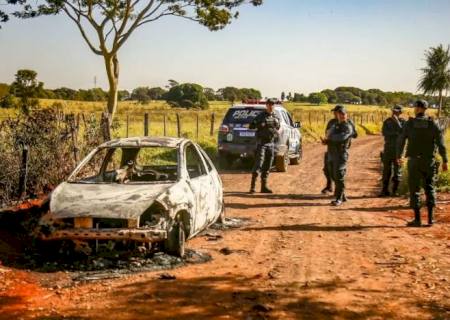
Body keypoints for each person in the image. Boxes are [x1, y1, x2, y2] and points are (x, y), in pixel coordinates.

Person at [397, 100, 448, 227]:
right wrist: (445, 160)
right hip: (429, 161)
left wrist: (399, 156)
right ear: (425, 109)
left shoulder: (409, 124)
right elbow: (441, 144)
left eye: (415, 107)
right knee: (430, 188)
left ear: (418, 108)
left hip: (414, 161)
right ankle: (430, 219)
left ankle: (417, 219)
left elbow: (401, 140)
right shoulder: (433, 124)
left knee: (414, 189)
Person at [322, 105, 355, 206]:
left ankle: (339, 198)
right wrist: (326, 141)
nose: (340, 116)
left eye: (343, 114)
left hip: (340, 153)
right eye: (339, 114)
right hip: (332, 152)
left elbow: (341, 137)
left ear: (346, 115)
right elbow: (328, 134)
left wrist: (330, 138)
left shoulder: (347, 126)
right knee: (332, 174)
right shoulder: (334, 124)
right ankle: (342, 195)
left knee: (339, 175)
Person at [249, 99, 281, 193]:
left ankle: (264, 187)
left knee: (268, 166)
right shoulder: (261, 116)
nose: (271, 106)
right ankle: (253, 187)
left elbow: (278, 127)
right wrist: (259, 124)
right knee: (258, 164)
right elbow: (251, 126)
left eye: (273, 105)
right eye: (269, 104)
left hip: (271, 143)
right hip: (262, 143)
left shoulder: (275, 116)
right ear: (266, 105)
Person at [379, 105, 406, 197]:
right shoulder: (387, 121)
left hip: (398, 150)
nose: (394, 113)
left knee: (397, 171)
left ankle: (395, 191)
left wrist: (397, 122)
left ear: (400, 113)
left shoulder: (403, 122)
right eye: (393, 111)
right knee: (386, 170)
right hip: (388, 149)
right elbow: (384, 133)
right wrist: (396, 133)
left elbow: (403, 132)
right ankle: (384, 190)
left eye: (397, 112)